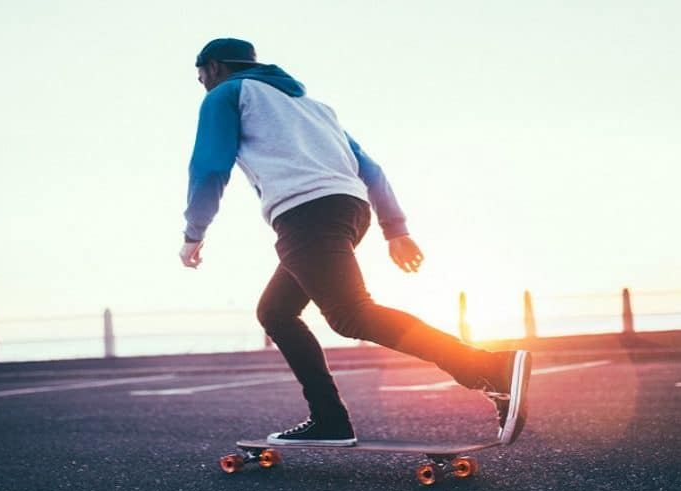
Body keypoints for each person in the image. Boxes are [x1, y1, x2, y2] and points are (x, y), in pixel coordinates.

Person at [180, 38, 531, 446]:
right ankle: (328, 418)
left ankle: (486, 367)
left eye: (200, 73)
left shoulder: (226, 94)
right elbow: (371, 169)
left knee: (350, 315)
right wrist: (395, 229)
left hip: (305, 214)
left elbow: (208, 167)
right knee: (276, 312)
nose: (200, 82)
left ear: (216, 67)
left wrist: (194, 234)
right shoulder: (314, 108)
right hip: (348, 209)